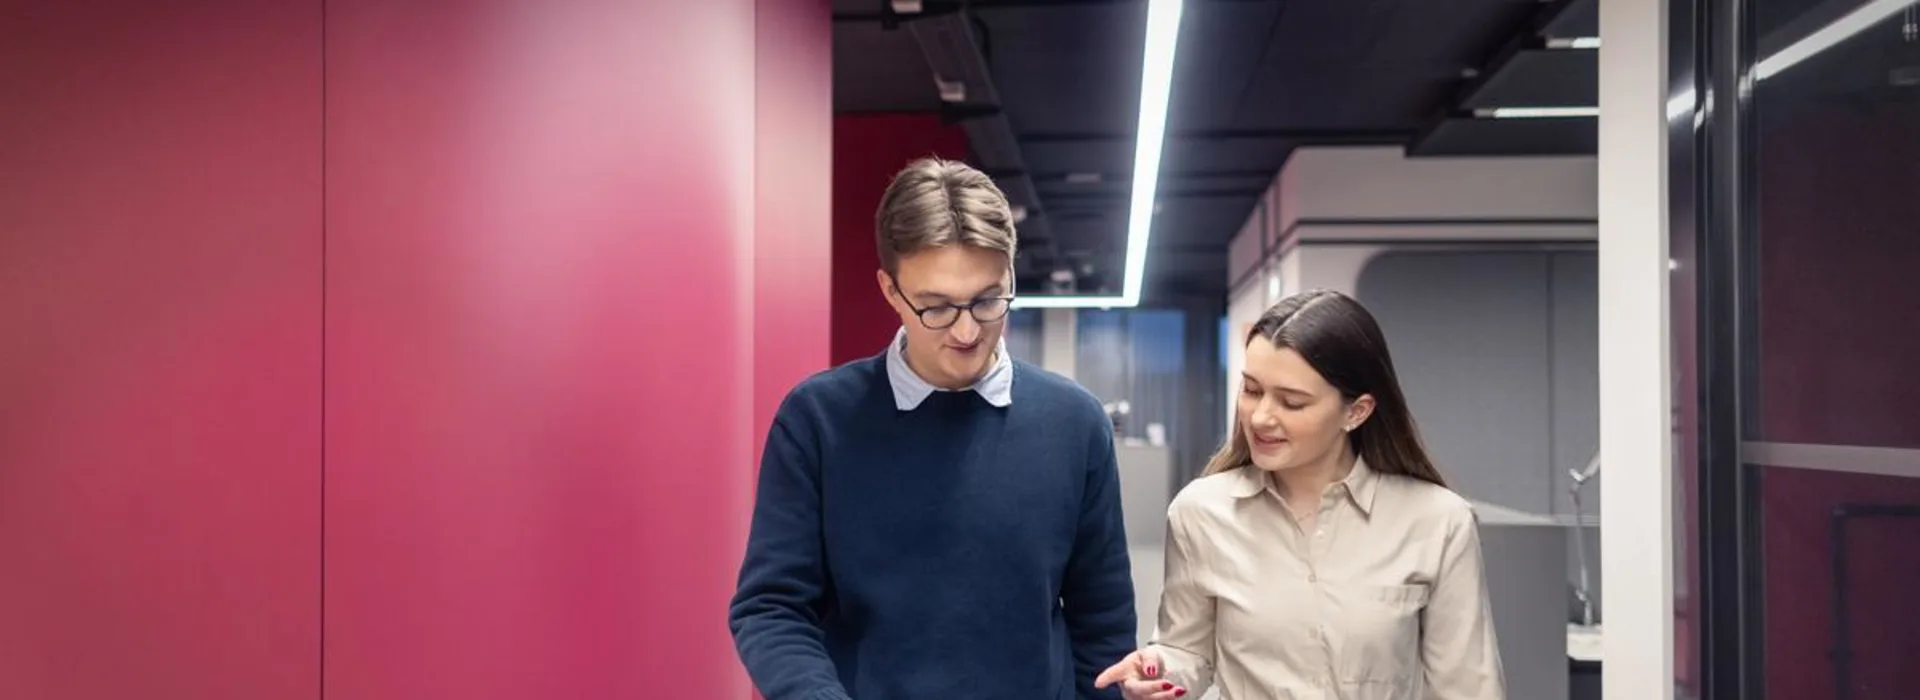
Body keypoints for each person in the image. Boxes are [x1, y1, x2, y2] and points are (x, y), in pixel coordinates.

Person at [728, 157, 1137, 700]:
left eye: (988, 300)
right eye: (937, 307)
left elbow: (1102, 626)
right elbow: (771, 607)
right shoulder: (817, 421)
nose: (968, 331)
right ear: (891, 291)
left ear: (1011, 276)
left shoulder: (1075, 424)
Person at [1096, 290, 1505, 700]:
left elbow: (1468, 686)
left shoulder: (1438, 522)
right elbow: (1188, 650)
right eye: (1252, 390)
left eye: (1292, 402)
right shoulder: (1200, 512)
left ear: (1356, 412)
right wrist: (1159, 669)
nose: (1260, 417)